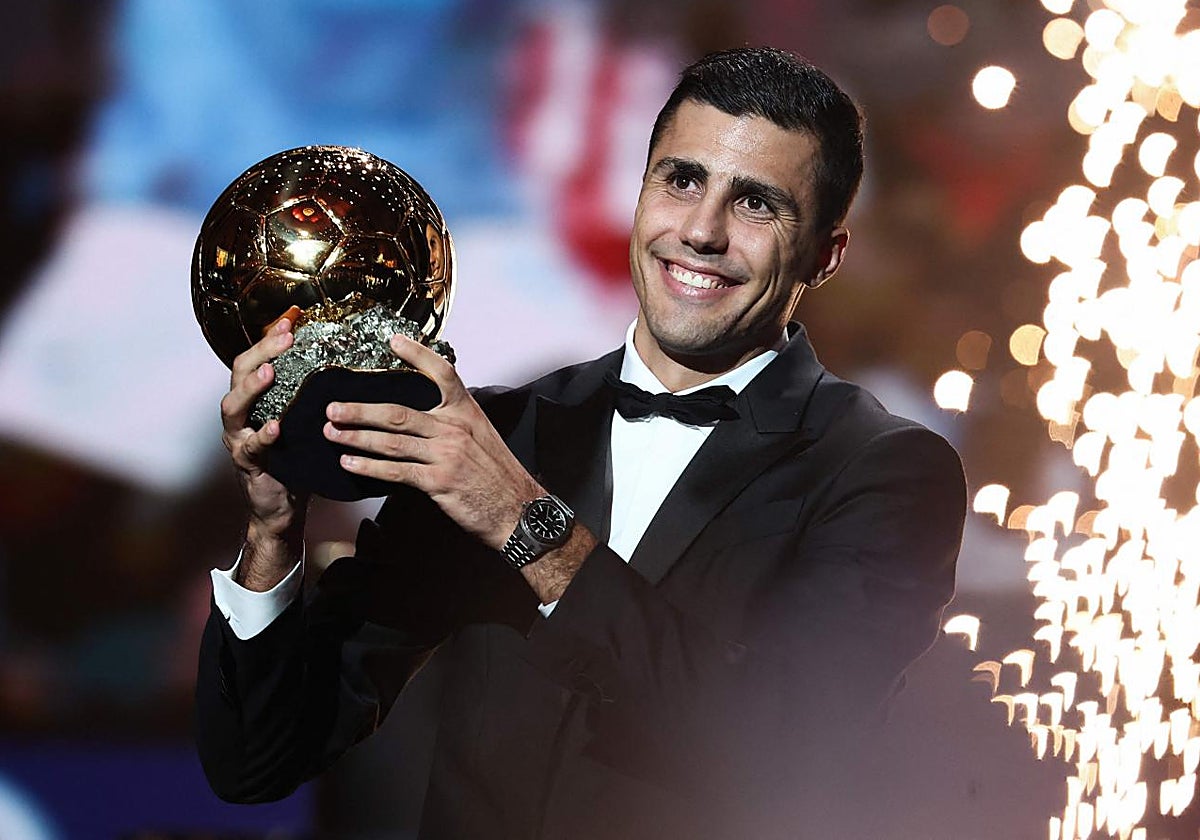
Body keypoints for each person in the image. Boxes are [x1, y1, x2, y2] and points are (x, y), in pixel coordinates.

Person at [196, 47, 967, 839]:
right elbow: (258, 760)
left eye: (757, 204)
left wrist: (529, 528)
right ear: (639, 193)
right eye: (682, 180)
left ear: (826, 255)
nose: (701, 231)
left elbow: (783, 744)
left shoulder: (883, 471)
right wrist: (273, 529)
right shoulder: (500, 433)